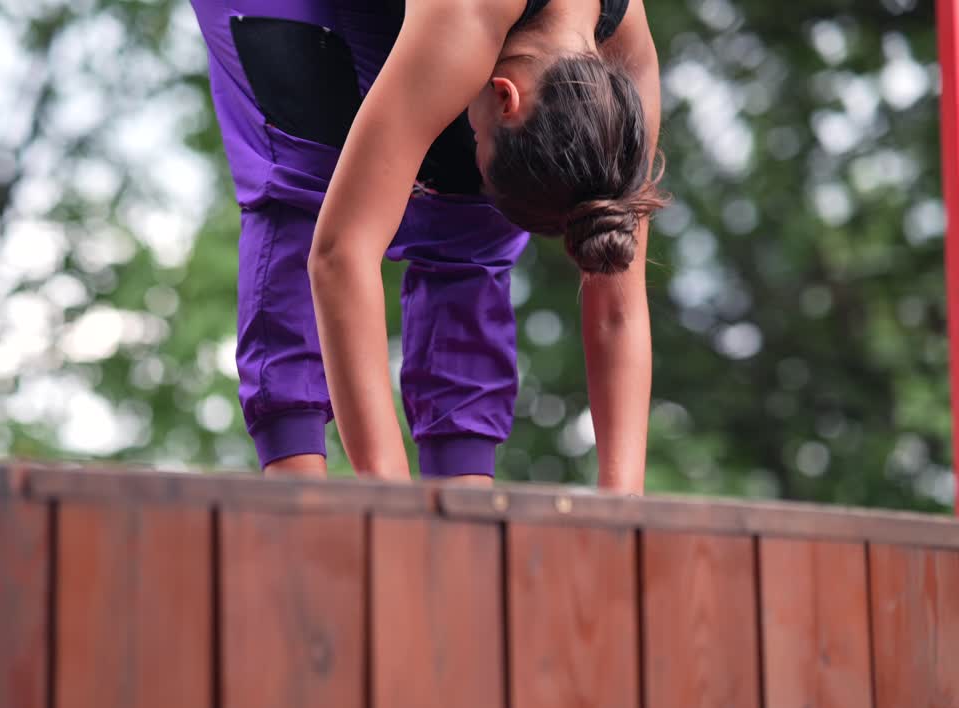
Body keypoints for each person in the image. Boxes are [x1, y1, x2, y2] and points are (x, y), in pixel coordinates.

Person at [190, 0, 664, 493]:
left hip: (424, 19)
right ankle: (297, 501)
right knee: (311, 176)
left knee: (476, 222)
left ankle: (463, 503)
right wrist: (390, 504)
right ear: (506, 97)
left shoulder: (628, 69)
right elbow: (340, 254)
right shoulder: (468, 13)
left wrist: (623, 507)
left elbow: (618, 309)